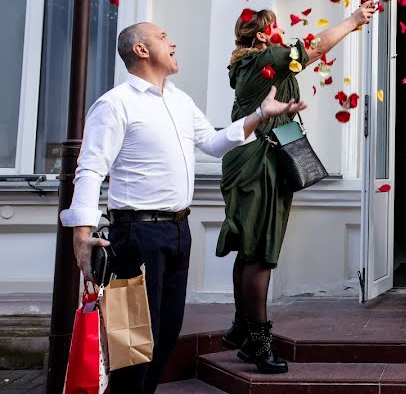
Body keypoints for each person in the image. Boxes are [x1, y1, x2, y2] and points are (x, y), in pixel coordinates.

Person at [60, 22, 306, 394]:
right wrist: (81, 234)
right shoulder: (115, 104)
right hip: (135, 236)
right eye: (162, 37)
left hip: (178, 231)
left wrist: (260, 114)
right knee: (134, 344)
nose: (172, 41)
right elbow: (91, 167)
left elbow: (212, 141)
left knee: (166, 332)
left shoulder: (179, 100)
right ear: (141, 50)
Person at [218, 0, 376, 373]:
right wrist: (354, 19)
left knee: (249, 250)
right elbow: (314, 48)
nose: (280, 33)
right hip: (261, 166)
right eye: (273, 27)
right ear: (261, 35)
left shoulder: (243, 64)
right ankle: (258, 345)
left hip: (250, 159)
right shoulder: (264, 58)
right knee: (260, 254)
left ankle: (242, 331)